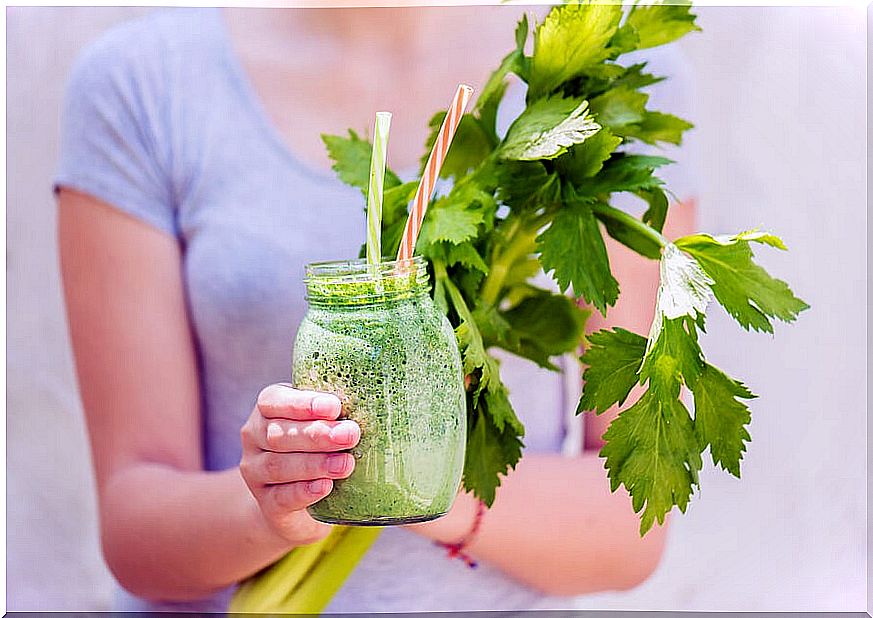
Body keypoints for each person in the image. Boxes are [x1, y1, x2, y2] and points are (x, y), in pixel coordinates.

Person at [55, 6, 695, 613]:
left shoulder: (609, 83)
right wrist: (269, 507)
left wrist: (417, 472)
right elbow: (134, 524)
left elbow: (632, 516)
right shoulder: (139, 83)